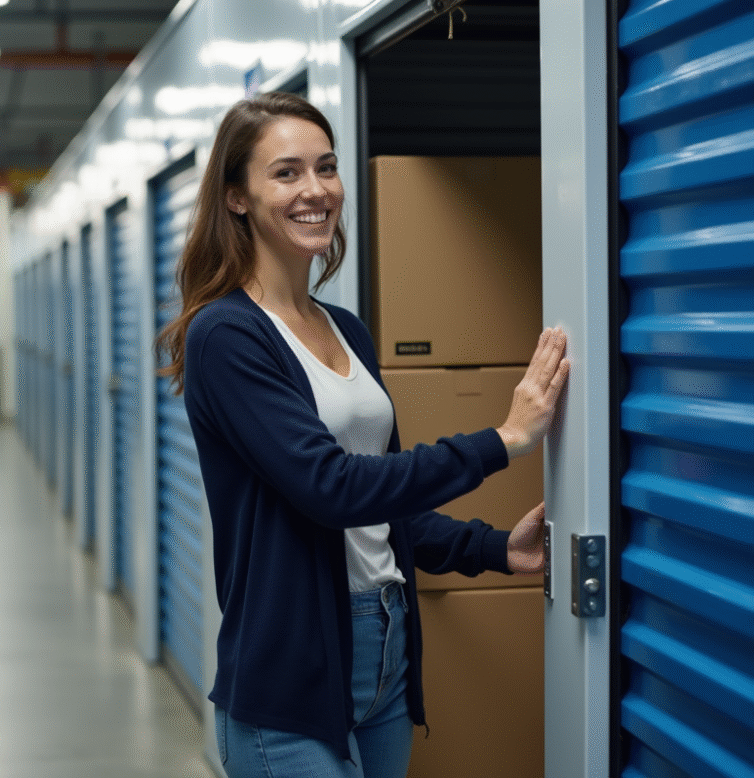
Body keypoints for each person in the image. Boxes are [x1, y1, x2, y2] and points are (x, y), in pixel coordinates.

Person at [154, 92, 569, 778]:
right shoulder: (226, 335)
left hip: (387, 643)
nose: (315, 190)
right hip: (290, 673)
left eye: (326, 167)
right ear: (236, 198)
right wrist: (504, 439)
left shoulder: (344, 328)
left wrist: (494, 548)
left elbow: (382, 504)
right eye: (286, 173)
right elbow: (333, 488)